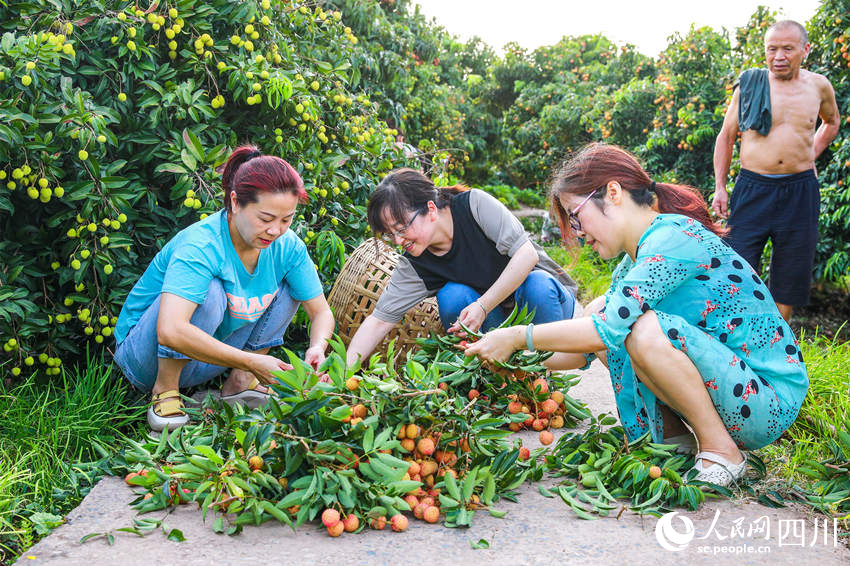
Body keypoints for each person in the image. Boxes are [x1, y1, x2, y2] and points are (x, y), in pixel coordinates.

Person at [465, 143, 809, 487]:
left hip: (764, 400)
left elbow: (606, 330)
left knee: (637, 328)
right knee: (600, 310)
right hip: (733, 389)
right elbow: (586, 347)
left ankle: (723, 452)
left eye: (576, 216)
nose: (579, 232)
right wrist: (510, 359)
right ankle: (672, 441)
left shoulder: (674, 238)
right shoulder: (635, 264)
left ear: (612, 192)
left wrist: (515, 336)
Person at [114, 146, 334, 431]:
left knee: (292, 287)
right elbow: (169, 330)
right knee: (211, 291)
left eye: (286, 219)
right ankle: (165, 389)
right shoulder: (201, 245)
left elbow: (321, 312)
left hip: (202, 360)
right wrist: (253, 360)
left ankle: (241, 382)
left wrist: (317, 347)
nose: (275, 230)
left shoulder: (287, 247)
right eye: (266, 219)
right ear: (235, 202)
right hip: (146, 358)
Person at [345, 168, 579, 365]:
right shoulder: (414, 264)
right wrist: (342, 376)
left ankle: (543, 372)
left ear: (431, 209)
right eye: (390, 234)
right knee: (452, 295)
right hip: (497, 324)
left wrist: (482, 306)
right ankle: (498, 376)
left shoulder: (474, 206)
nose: (398, 240)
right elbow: (379, 321)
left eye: (402, 227)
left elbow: (527, 255)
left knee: (535, 283)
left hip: (545, 307)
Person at [713, 19, 839, 322]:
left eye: (787, 49)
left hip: (800, 190)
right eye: (772, 49)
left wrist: (812, 152)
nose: (779, 56)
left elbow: (832, 122)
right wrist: (720, 186)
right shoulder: (750, 84)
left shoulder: (819, 86)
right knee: (736, 268)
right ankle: (739, 341)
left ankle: (777, 348)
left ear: (805, 50)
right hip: (753, 188)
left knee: (790, 275)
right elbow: (726, 136)